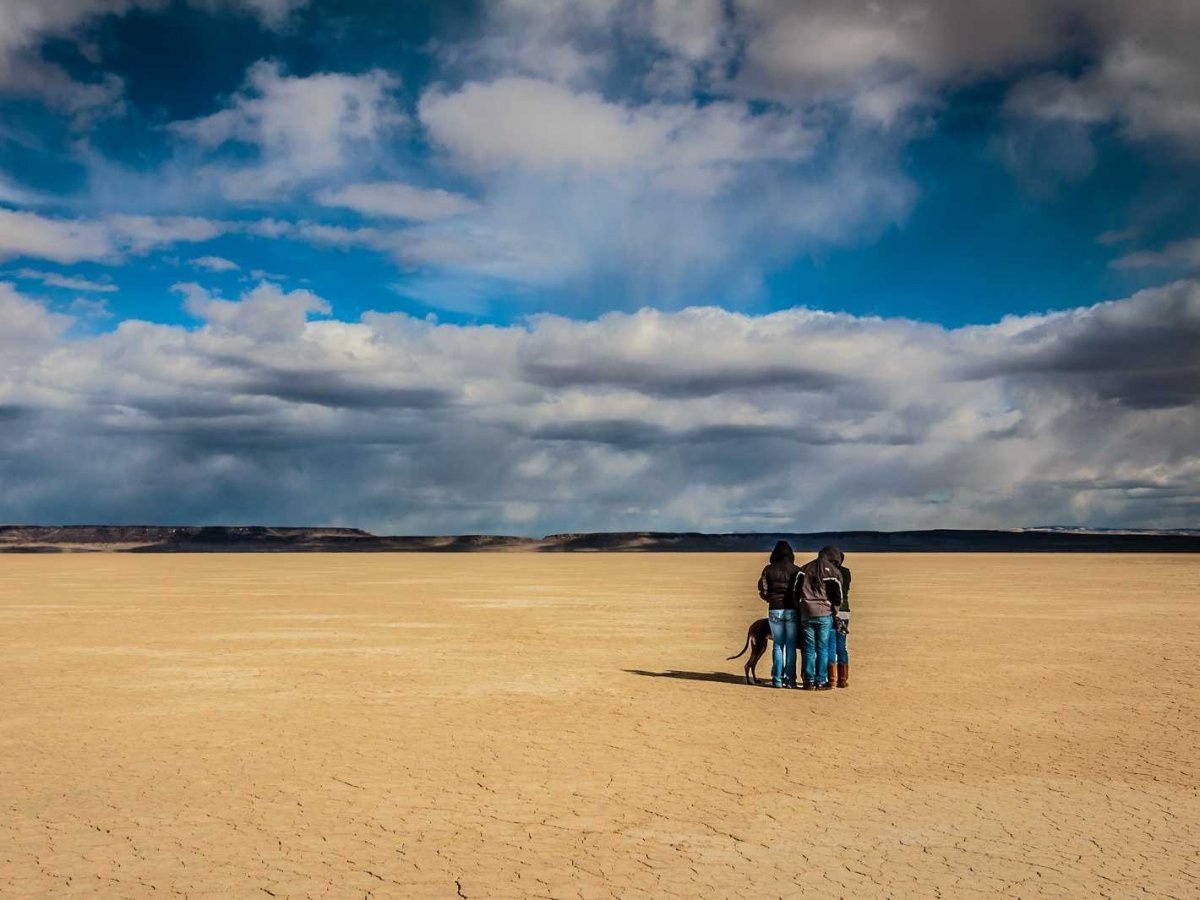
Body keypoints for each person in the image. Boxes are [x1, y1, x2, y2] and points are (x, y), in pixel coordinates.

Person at [794, 545, 845, 691]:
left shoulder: (804, 569)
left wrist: (801, 607)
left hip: (806, 613)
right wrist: (833, 611)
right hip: (824, 614)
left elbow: (796, 592)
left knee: (809, 648)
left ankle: (808, 681)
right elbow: (838, 596)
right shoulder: (833, 572)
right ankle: (821, 680)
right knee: (822, 648)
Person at [757, 540, 800, 688]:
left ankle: (777, 679)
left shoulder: (768, 569)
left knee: (778, 645)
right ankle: (790, 680)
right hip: (792, 609)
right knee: (791, 645)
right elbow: (801, 590)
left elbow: (763, 589)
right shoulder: (796, 570)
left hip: (775, 608)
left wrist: (769, 599)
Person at [831, 559, 851, 688]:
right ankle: (842, 679)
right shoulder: (846, 572)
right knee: (841, 646)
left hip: (831, 610)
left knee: (830, 646)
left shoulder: (827, 571)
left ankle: (832, 679)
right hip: (844, 611)